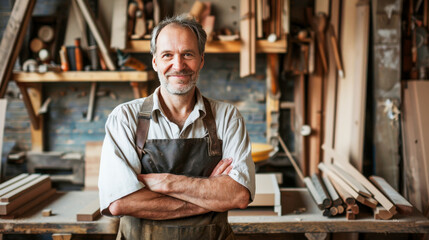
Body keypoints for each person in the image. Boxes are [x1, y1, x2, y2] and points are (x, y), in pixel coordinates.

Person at [98, 15, 255, 240]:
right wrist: (209, 197)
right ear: (155, 62)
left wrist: (165, 182)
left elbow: (238, 195)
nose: (178, 65)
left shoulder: (227, 117)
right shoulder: (125, 118)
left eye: (187, 54)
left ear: (201, 60)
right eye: (167, 55)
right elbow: (120, 202)